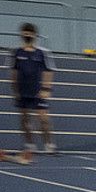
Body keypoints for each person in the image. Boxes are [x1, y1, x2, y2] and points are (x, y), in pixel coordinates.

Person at [9, 23, 58, 154]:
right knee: (25, 119)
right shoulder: (16, 52)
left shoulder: (42, 53)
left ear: (35, 35)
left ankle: (49, 144)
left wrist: (46, 89)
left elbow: (49, 71)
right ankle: (30, 144)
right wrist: (15, 91)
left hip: (38, 91)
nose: (27, 35)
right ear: (21, 34)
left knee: (44, 120)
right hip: (22, 90)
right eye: (25, 32)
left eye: (30, 32)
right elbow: (13, 72)